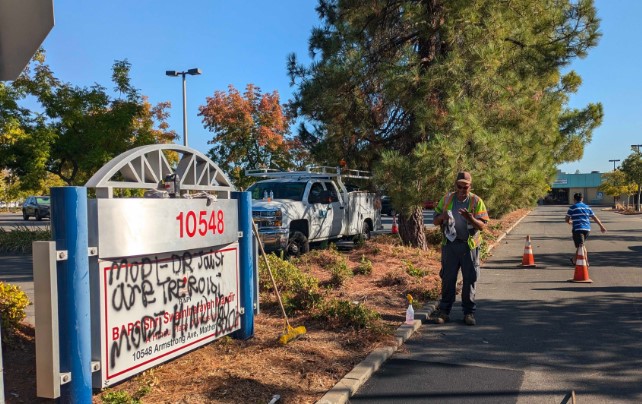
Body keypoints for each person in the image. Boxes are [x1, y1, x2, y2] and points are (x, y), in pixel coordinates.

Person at [430, 172, 489, 326]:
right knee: (448, 279)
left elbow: (482, 225)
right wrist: (442, 217)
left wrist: (471, 218)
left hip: (468, 246)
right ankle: (444, 312)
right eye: (459, 186)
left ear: (470, 186)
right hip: (450, 245)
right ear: (455, 185)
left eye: (466, 186)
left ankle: (468, 313)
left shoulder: (476, 201)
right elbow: (435, 221)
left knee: (470, 279)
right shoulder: (447, 199)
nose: (462, 189)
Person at [565, 192, 606, 265]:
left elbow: (566, 219)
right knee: (581, 245)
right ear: (582, 199)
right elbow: (594, 217)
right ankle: (574, 259)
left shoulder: (572, 208)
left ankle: (586, 262)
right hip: (587, 229)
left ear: (574, 199)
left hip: (578, 229)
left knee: (581, 246)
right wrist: (601, 226)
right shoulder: (587, 207)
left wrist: (570, 222)